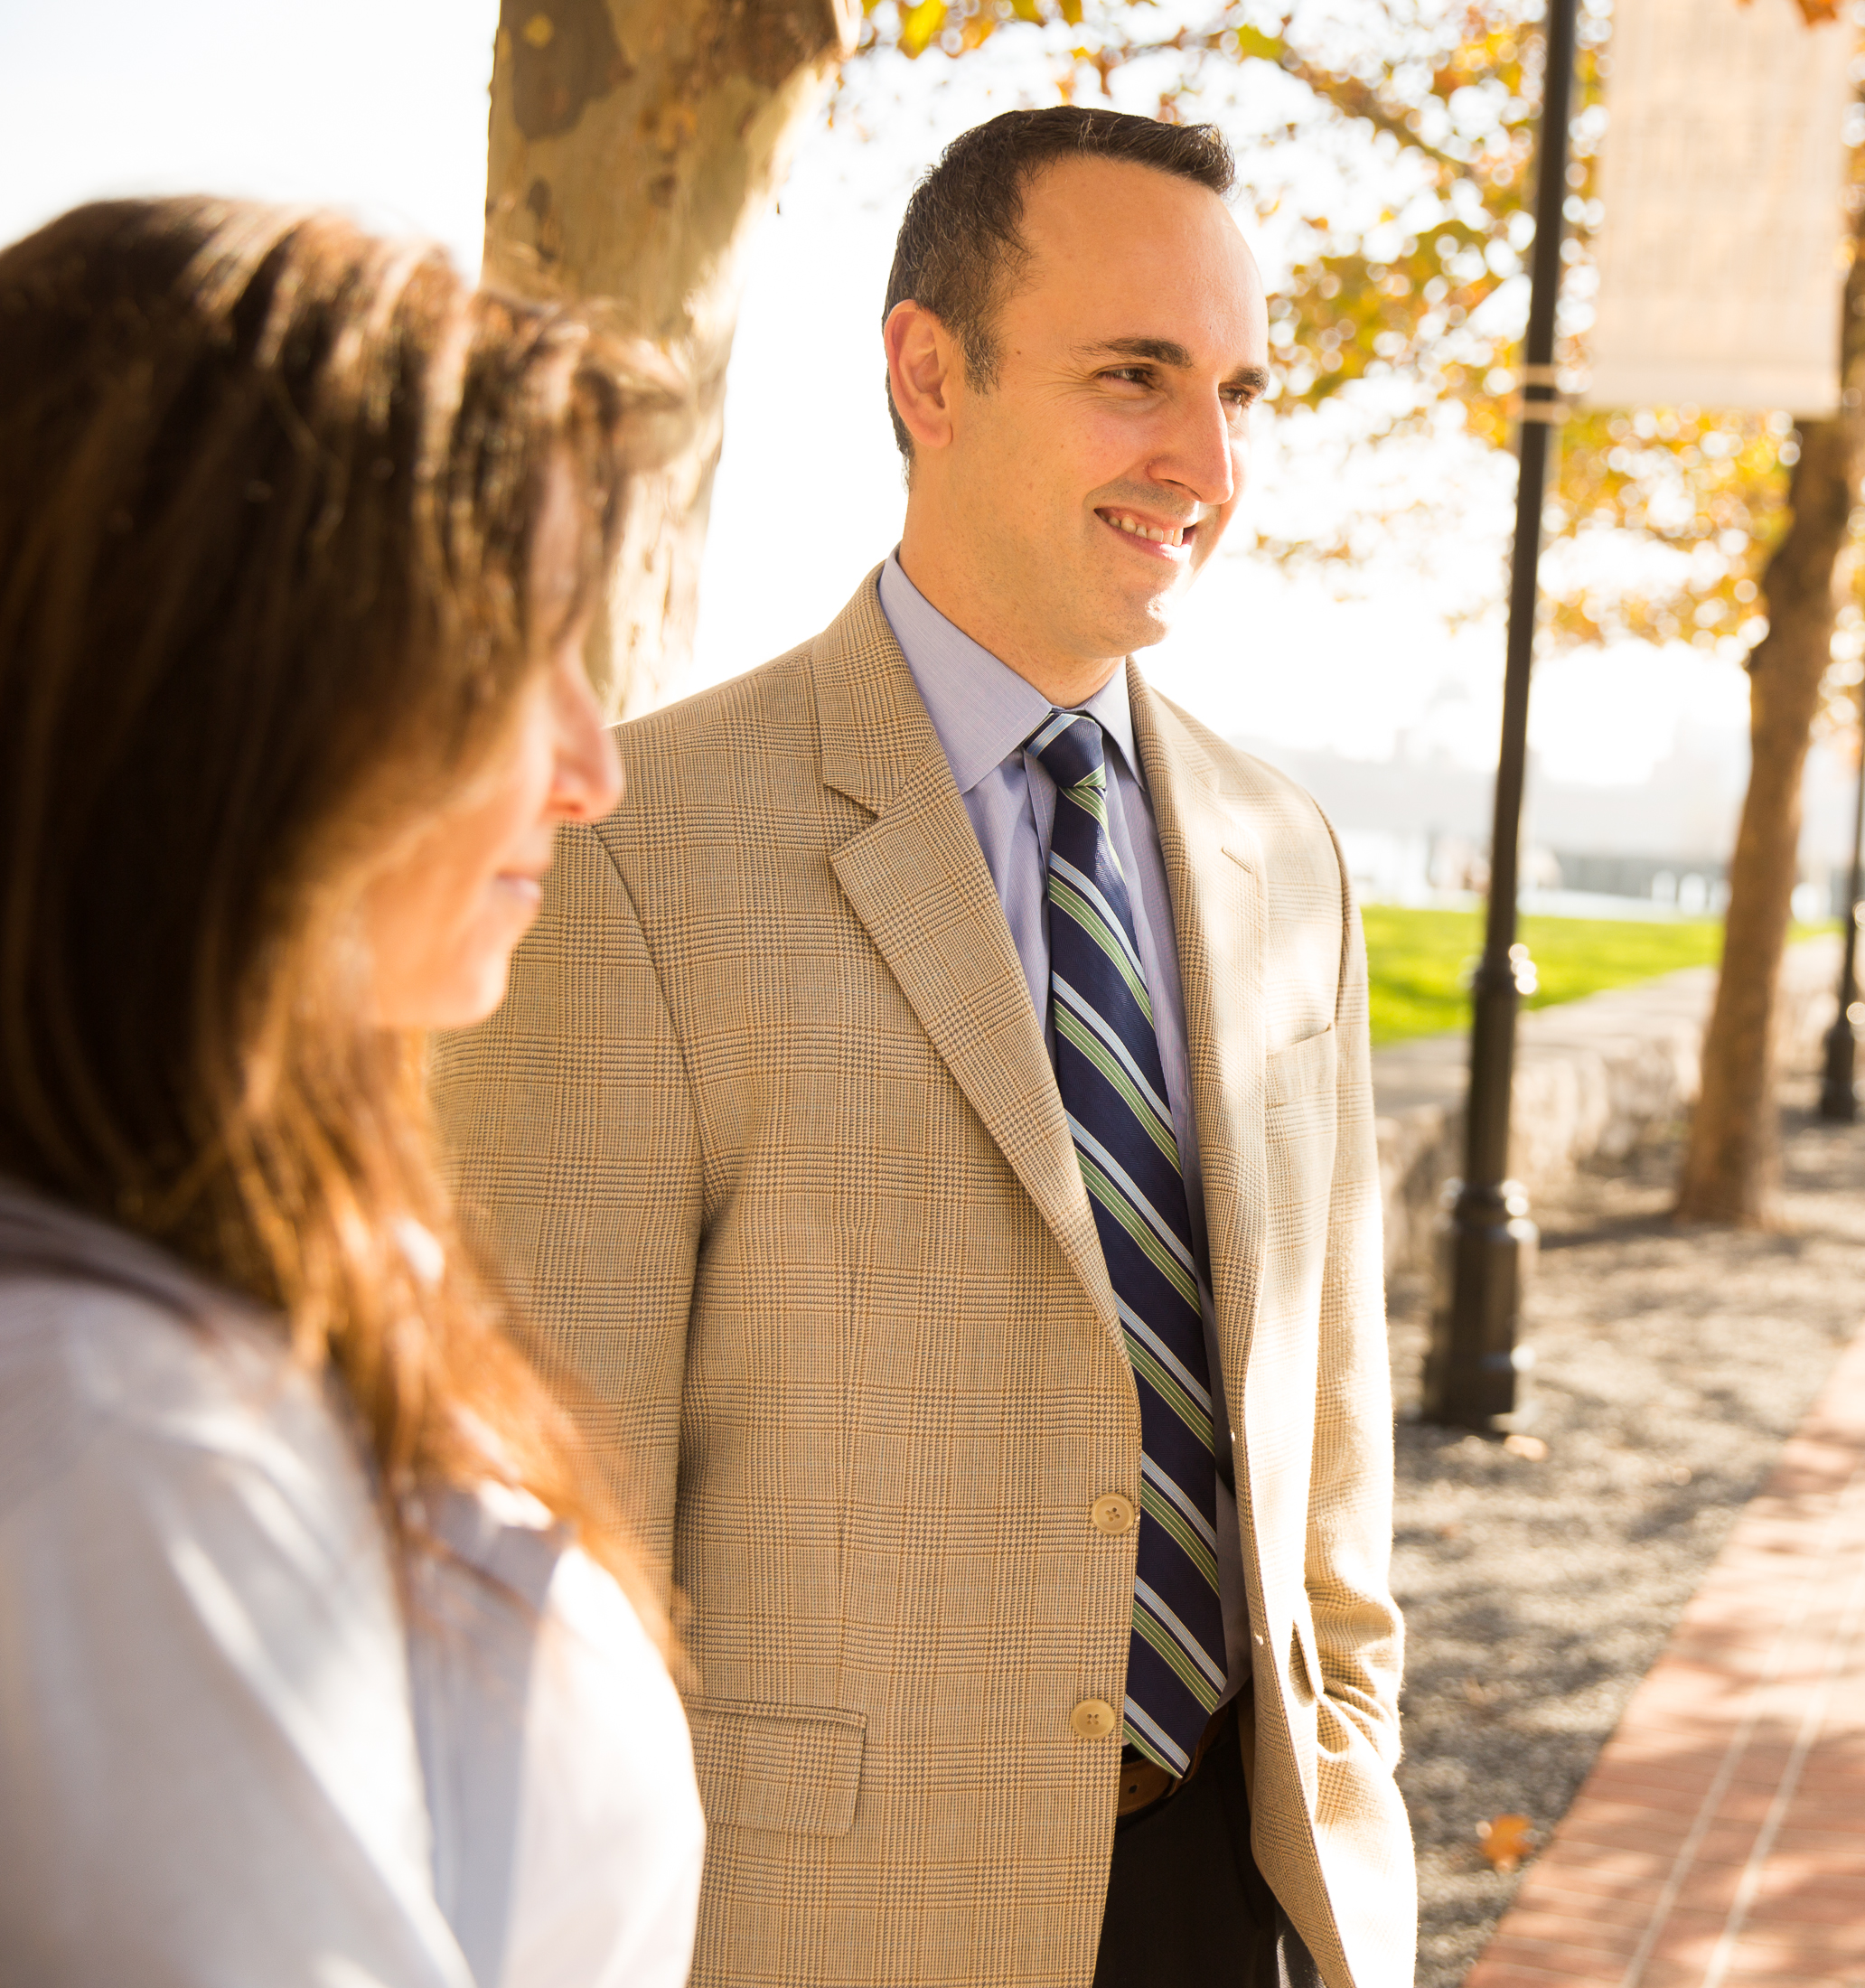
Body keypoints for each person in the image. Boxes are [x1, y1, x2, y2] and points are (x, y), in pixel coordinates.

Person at [435, 108, 1410, 1988]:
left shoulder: (1291, 858)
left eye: (1239, 390)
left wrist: (1348, 1788)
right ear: (926, 370)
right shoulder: (632, 866)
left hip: (1249, 1902)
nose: (1205, 461)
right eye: (1138, 373)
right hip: (822, 1930)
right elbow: (549, 1574)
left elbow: (1333, 1470)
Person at [0, 199, 700, 1987]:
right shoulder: (117, 1444)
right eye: (520, 655)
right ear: (263, 691)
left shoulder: (193, 1321)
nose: (592, 764)